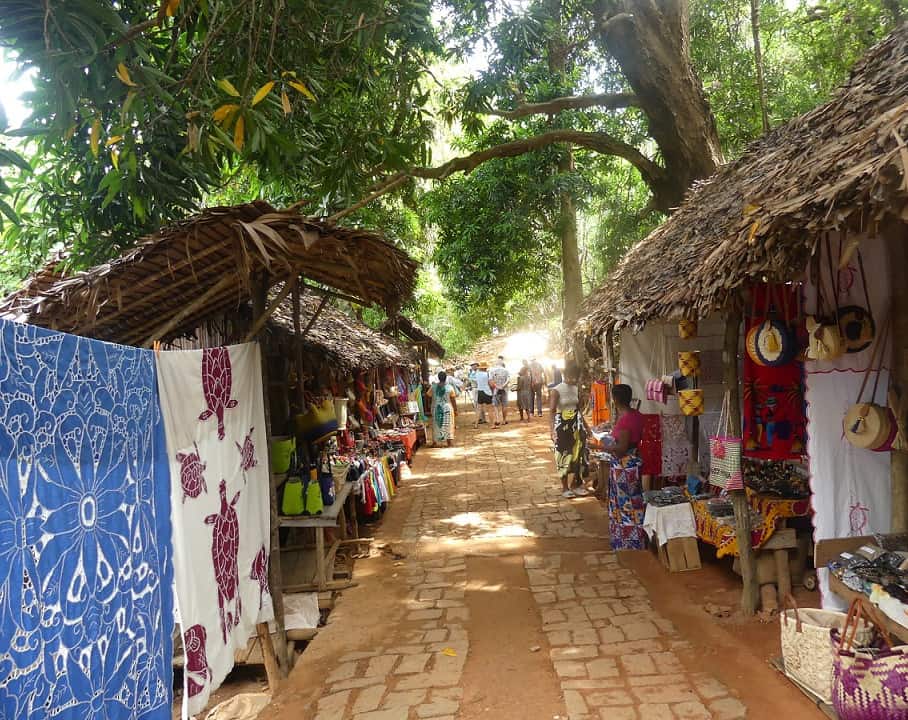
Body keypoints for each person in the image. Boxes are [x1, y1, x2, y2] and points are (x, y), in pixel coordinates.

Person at [603, 384, 647, 549]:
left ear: (615, 399)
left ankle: (626, 542)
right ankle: (638, 539)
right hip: (634, 462)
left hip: (624, 466)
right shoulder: (637, 415)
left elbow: (621, 448)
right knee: (635, 501)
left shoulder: (625, 420)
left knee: (624, 505)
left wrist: (600, 447)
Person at [550, 361, 589, 498]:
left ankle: (576, 484)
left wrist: (587, 427)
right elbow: (552, 411)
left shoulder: (576, 388)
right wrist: (552, 430)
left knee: (579, 455)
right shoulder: (557, 390)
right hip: (562, 426)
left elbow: (578, 410)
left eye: (576, 377)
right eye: (572, 376)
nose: (574, 380)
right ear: (565, 375)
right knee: (563, 455)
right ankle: (565, 487)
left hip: (576, 425)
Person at [427, 370, 457, 447]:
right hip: (447, 408)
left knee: (436, 424)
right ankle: (449, 442)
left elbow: (428, 395)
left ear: (438, 378)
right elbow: (453, 399)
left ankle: (435, 442)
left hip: (436, 407)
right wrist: (455, 409)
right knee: (448, 424)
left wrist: (430, 404)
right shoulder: (449, 387)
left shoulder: (433, 387)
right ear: (446, 378)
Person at [488, 356, 510, 426]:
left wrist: (496, 386)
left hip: (495, 390)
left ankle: (497, 419)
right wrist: (503, 386)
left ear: (496, 363)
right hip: (504, 389)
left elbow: (490, 381)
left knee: (495, 405)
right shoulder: (506, 370)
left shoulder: (492, 370)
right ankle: (504, 420)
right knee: (504, 405)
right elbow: (508, 380)